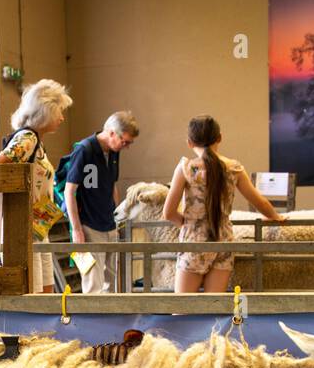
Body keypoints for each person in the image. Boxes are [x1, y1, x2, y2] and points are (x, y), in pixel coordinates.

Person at [162, 115, 283, 293]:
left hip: (193, 244)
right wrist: (276, 217)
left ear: (189, 142)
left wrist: (190, 226)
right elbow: (260, 202)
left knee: (182, 310)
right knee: (214, 309)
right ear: (219, 138)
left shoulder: (186, 168)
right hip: (223, 242)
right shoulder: (234, 168)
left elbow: (168, 212)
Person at [0, 79, 73, 292]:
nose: (62, 117)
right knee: (33, 291)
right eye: (60, 111)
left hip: (38, 228)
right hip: (25, 228)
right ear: (47, 110)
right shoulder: (27, 139)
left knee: (46, 288)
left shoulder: (36, 140)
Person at [62, 111, 139, 293]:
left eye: (129, 143)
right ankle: (91, 321)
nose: (126, 147)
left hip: (109, 224)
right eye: (125, 142)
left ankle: (110, 320)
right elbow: (69, 191)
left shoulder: (113, 151)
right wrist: (77, 230)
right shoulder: (85, 150)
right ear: (112, 133)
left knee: (112, 281)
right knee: (93, 283)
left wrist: (116, 217)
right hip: (89, 225)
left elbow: (112, 185)